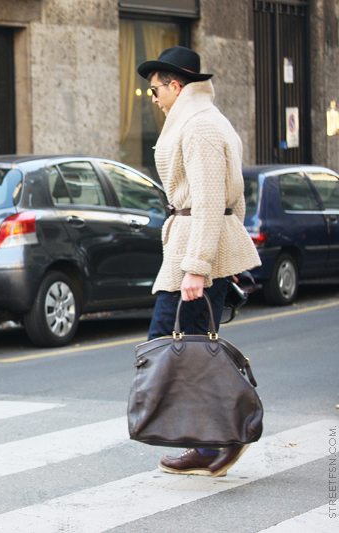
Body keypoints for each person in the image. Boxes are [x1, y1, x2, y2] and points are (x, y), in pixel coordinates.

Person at [137, 46, 261, 477]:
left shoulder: (200, 127)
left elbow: (212, 200)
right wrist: (220, 253)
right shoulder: (208, 121)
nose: (152, 97)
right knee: (188, 348)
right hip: (193, 246)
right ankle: (210, 441)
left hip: (193, 253)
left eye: (155, 89)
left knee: (176, 348)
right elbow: (237, 200)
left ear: (175, 85)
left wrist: (199, 266)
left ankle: (218, 441)